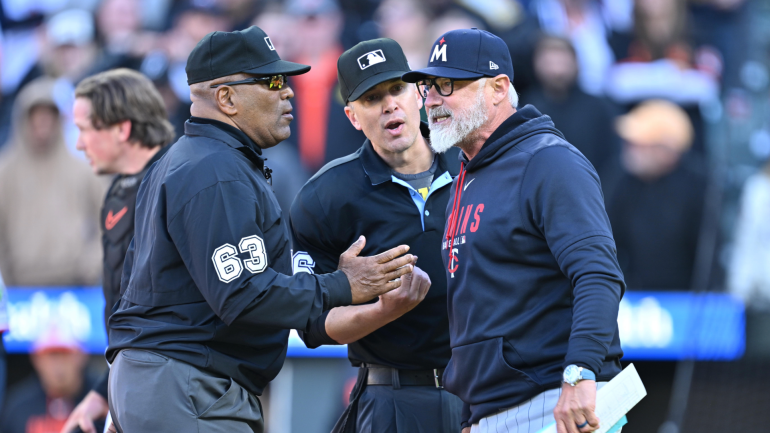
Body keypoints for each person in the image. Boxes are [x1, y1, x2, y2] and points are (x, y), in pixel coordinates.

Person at [105, 26, 416, 433]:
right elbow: (244, 297)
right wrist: (343, 284)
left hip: (169, 382)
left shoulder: (190, 160)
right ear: (226, 98)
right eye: (270, 81)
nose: (287, 91)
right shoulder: (214, 171)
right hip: (187, 384)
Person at [402, 28, 626, 433]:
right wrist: (473, 412)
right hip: (495, 410)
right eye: (427, 86)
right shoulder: (465, 174)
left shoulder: (549, 162)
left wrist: (580, 374)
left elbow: (598, 275)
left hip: (555, 400)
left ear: (499, 88)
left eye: (448, 84)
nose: (431, 99)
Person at [290, 38, 462, 433]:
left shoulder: (474, 163)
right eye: (371, 98)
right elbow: (312, 326)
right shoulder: (326, 196)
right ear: (352, 116)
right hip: (394, 399)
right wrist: (384, 309)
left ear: (419, 93)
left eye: (397, 89)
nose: (389, 105)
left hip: (486, 390)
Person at [60, 68, 176, 433]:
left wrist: (136, 395)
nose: (78, 144)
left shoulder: (181, 182)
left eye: (83, 129)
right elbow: (125, 312)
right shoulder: (117, 193)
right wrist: (107, 390)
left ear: (121, 129)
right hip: (133, 384)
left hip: (170, 393)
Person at [0, 77, 105, 287]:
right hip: (19, 289)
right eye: (36, 117)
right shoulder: (5, 172)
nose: (42, 124)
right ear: (24, 120)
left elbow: (110, 220)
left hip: (76, 287)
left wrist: (93, 262)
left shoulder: (83, 168)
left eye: (48, 117)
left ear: (58, 120)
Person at [602, 100, 707, 291]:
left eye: (639, 144)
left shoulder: (698, 188)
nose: (629, 149)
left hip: (686, 301)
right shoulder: (620, 182)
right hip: (634, 302)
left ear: (667, 151)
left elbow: (707, 257)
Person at [524, 35, 620, 175]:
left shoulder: (600, 108)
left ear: (576, 63)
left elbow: (614, 160)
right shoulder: (527, 110)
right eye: (549, 63)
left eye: (563, 63)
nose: (557, 71)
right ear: (536, 64)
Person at [1, 325, 94, 433]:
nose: (58, 364)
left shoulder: (101, 399)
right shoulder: (17, 406)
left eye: (65, 354)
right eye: (51, 355)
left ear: (82, 356)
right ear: (36, 359)